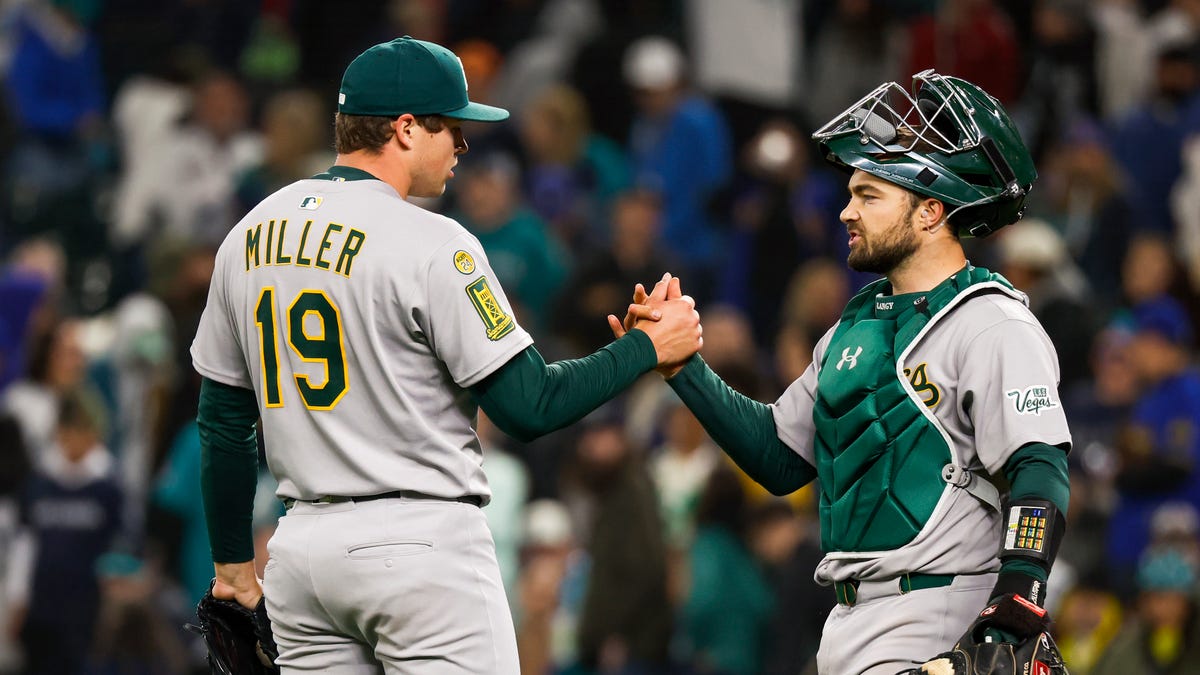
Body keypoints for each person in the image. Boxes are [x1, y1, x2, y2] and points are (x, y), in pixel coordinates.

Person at [189, 36, 702, 674]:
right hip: (418, 546)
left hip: (301, 554)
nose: (463, 146)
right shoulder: (435, 242)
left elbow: (223, 421)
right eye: (451, 128)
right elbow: (528, 405)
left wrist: (235, 567)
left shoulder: (249, 234)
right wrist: (645, 348)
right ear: (405, 129)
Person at [613, 70, 1072, 674]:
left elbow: (1040, 465)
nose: (845, 212)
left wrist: (1019, 599)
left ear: (931, 211)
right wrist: (683, 369)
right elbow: (780, 457)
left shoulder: (989, 321)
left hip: (939, 612)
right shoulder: (855, 325)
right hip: (849, 620)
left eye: (869, 195)